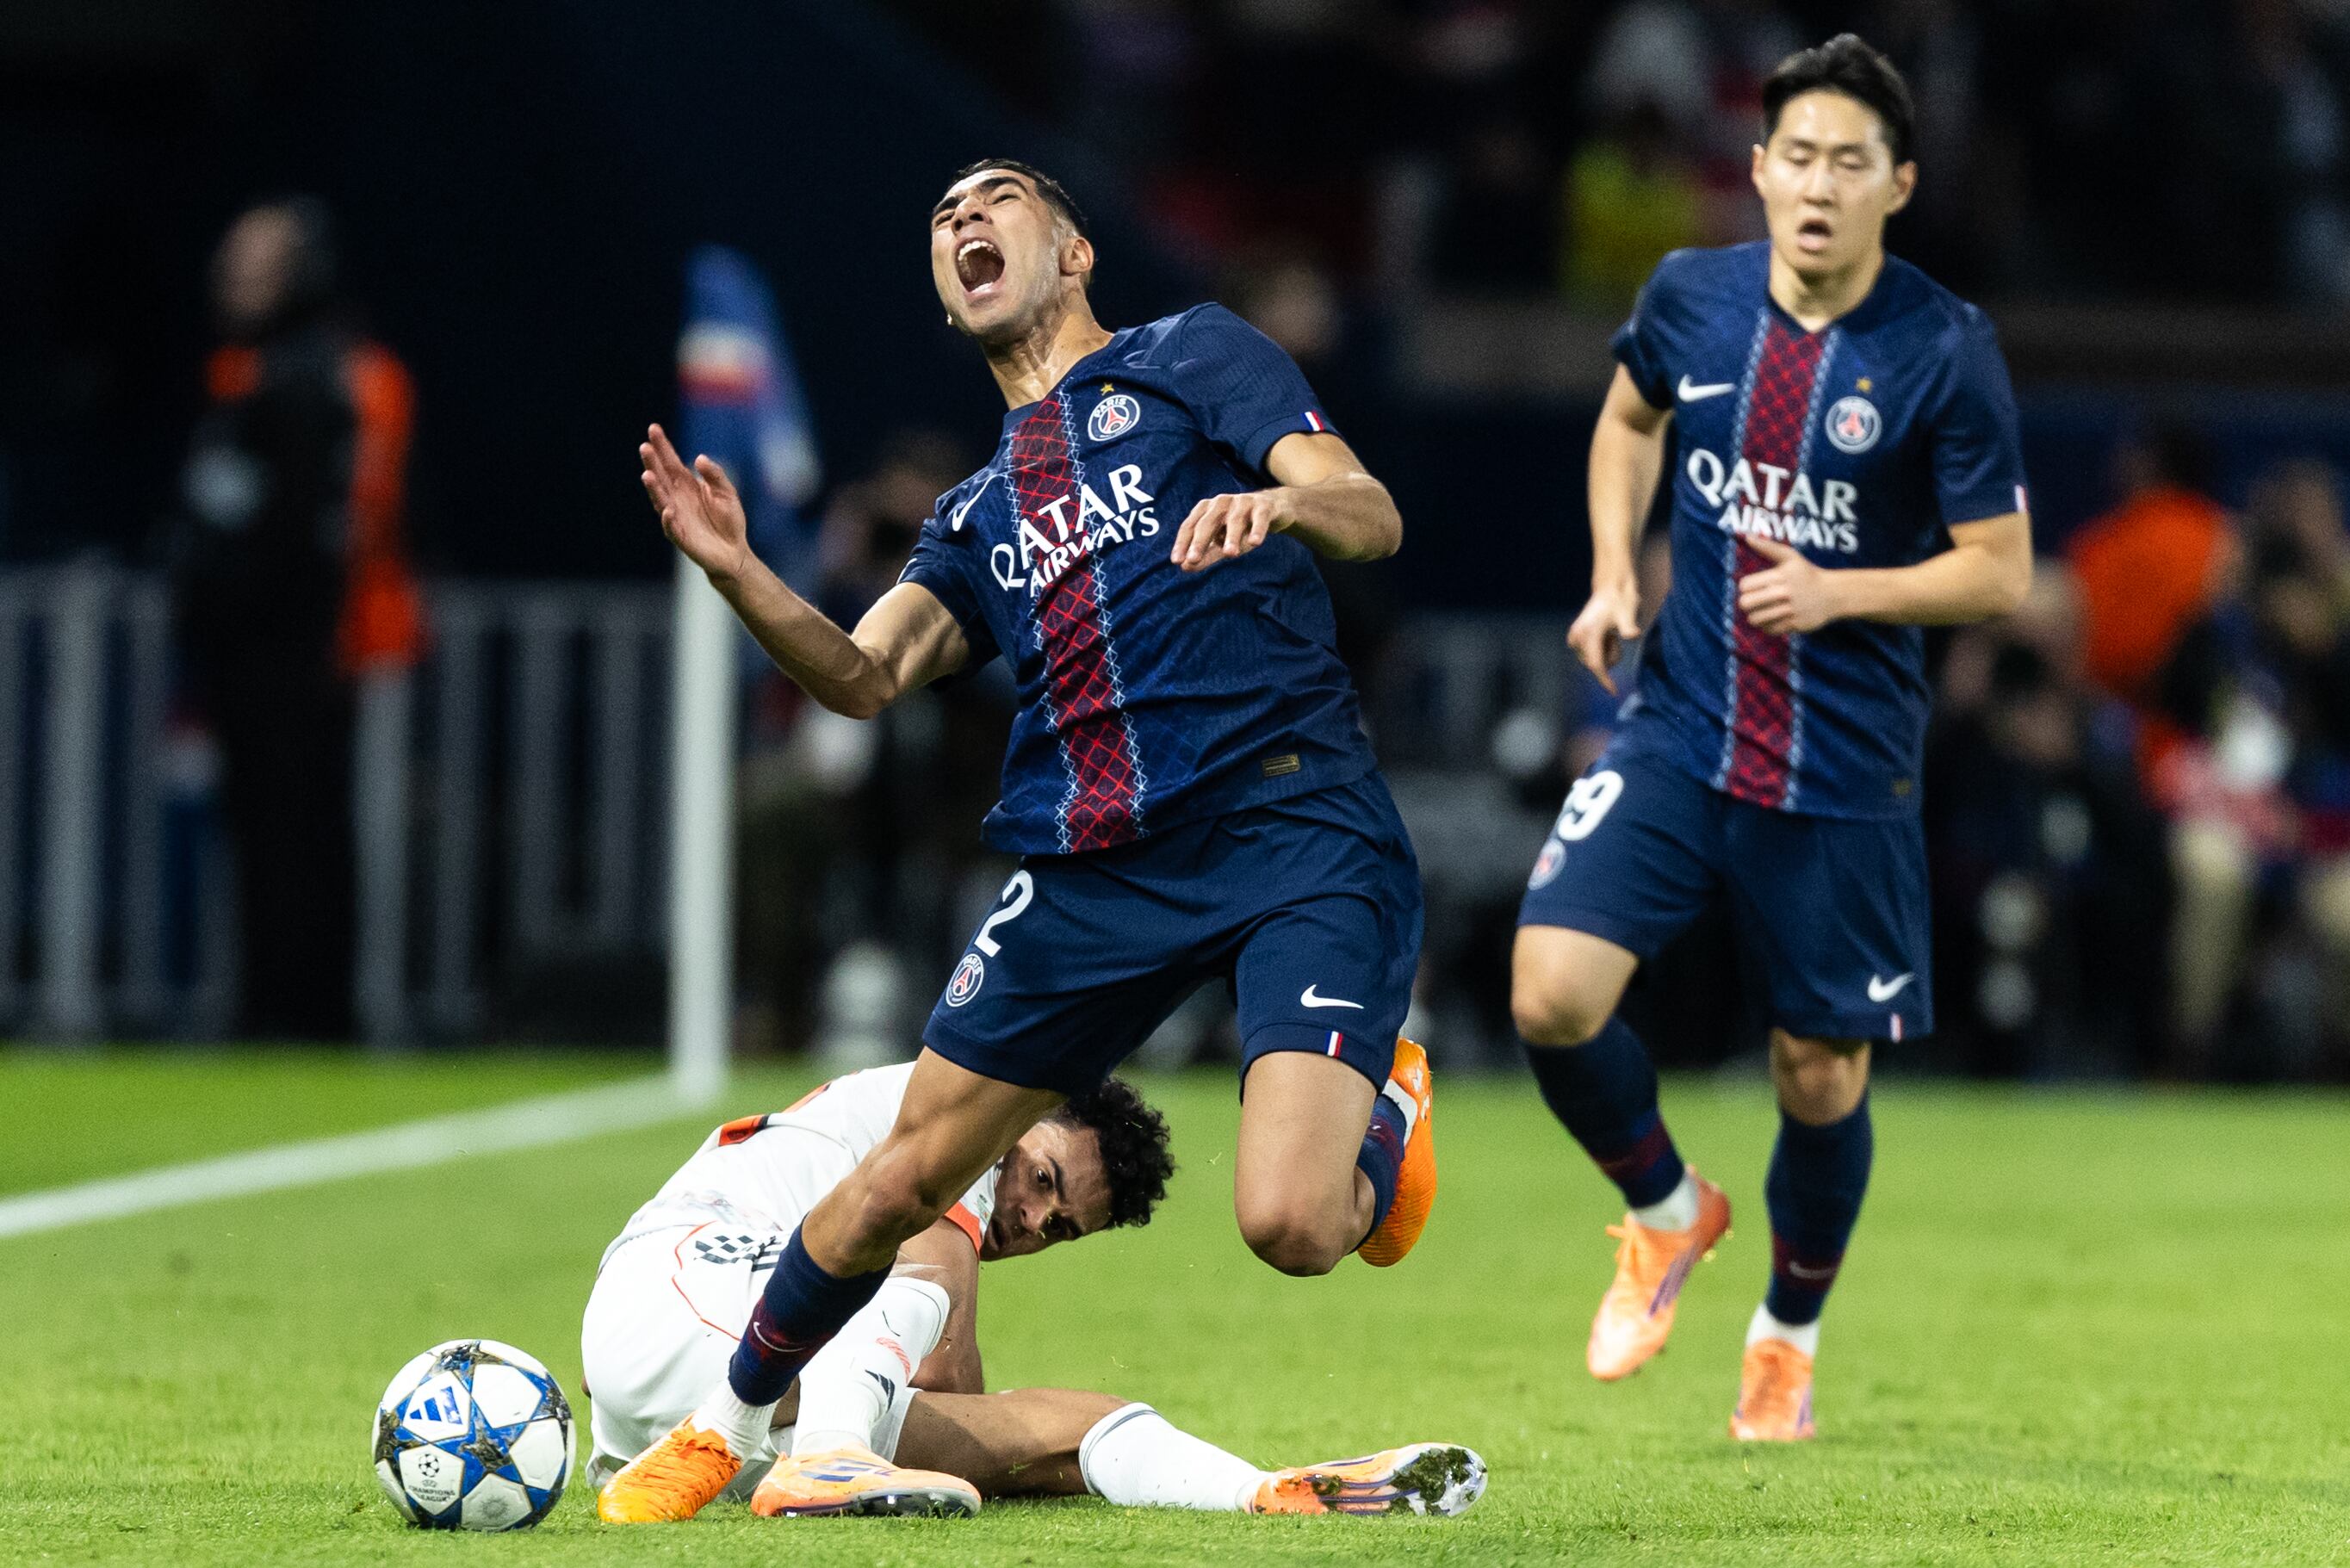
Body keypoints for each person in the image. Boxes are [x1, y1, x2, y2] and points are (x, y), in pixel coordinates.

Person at [605, 158, 1436, 1521]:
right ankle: (725, 1425)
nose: (962, 221)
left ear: (1075, 250)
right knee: (900, 1181)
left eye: (995, 200)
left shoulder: (1191, 356)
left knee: (1292, 1225)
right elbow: (862, 674)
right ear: (947, 297)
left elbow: (1371, 508)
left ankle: (1388, 1107)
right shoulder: (978, 510)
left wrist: (1284, 503)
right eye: (942, 217)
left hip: (1290, 819)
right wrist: (741, 573)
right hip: (1095, 870)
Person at [1510, 35, 2032, 1441]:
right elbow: (1625, 421)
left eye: (1847, 163)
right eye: (1795, 155)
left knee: (1817, 1073)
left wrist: (1843, 590)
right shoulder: (1690, 295)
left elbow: (1998, 572)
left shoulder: (1941, 348)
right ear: (1754, 168)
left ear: (1896, 185)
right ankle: (1664, 1209)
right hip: (1680, 723)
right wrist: (1611, 572)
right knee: (1549, 992)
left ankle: (1784, 1338)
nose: (1816, 184)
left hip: (1840, 765)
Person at [584, 1060, 1483, 1521]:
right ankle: (826, 1454)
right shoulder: (961, 1110)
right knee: (901, 1277)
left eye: (1060, 1228)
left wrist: (1003, 1443)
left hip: (689, 1417)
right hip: (680, 1287)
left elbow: (955, 1405)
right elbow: (945, 1368)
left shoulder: (970, 1178)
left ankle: (1267, 1493)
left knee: (1076, 1429)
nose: (1030, 1217)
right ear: (1022, 1121)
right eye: (1044, 1179)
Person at [170, 198, 424, 1040]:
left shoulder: (316, 378)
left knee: (302, 832)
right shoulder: (247, 374)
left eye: (257, 265)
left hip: (299, 649)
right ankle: (274, 1004)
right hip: (250, 649)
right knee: (262, 831)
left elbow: (316, 529)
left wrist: (302, 633)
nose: (232, 279)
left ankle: (304, 1012)